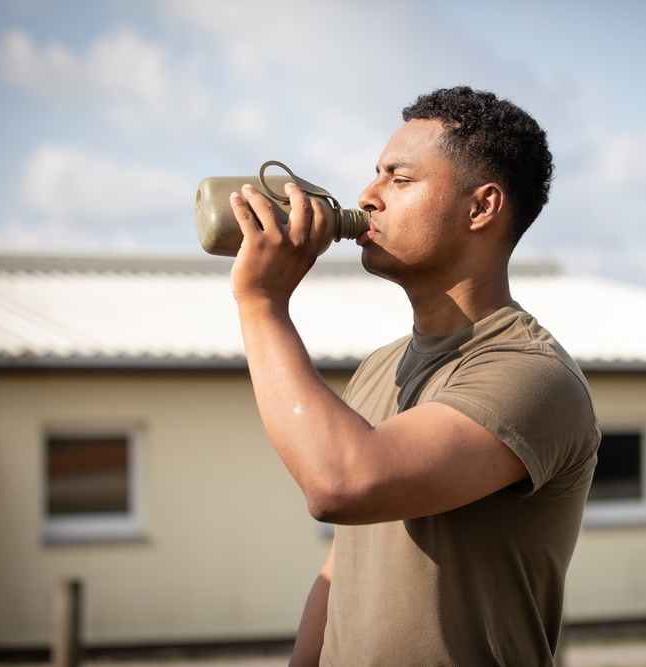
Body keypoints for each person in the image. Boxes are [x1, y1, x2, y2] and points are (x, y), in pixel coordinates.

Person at [229, 86, 599, 666]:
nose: (367, 197)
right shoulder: (381, 366)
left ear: (481, 207)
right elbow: (341, 567)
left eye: (399, 179)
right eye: (375, 174)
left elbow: (340, 484)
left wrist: (261, 302)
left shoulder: (531, 376)